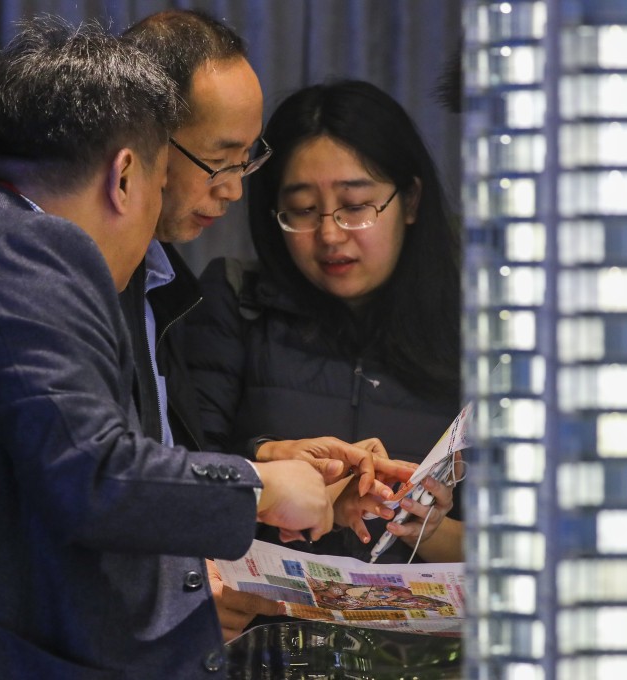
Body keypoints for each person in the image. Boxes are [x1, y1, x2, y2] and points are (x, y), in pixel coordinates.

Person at [0, 16, 339, 679]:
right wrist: (262, 486)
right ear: (125, 175)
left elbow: (35, 472)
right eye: (161, 183)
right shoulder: (32, 253)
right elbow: (93, 476)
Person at [118, 11, 409, 642]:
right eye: (301, 209)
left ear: (409, 202)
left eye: (245, 163)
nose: (231, 191)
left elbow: (162, 458)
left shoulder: (158, 279)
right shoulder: (184, 290)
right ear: (137, 147)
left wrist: (273, 465)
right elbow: (100, 480)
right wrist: (258, 480)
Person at [185, 79, 465, 633]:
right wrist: (266, 458)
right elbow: (178, 470)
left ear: (409, 201)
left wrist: (429, 530)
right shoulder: (237, 301)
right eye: (303, 210)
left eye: (357, 207)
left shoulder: (477, 331)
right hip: (256, 647)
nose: (331, 236)